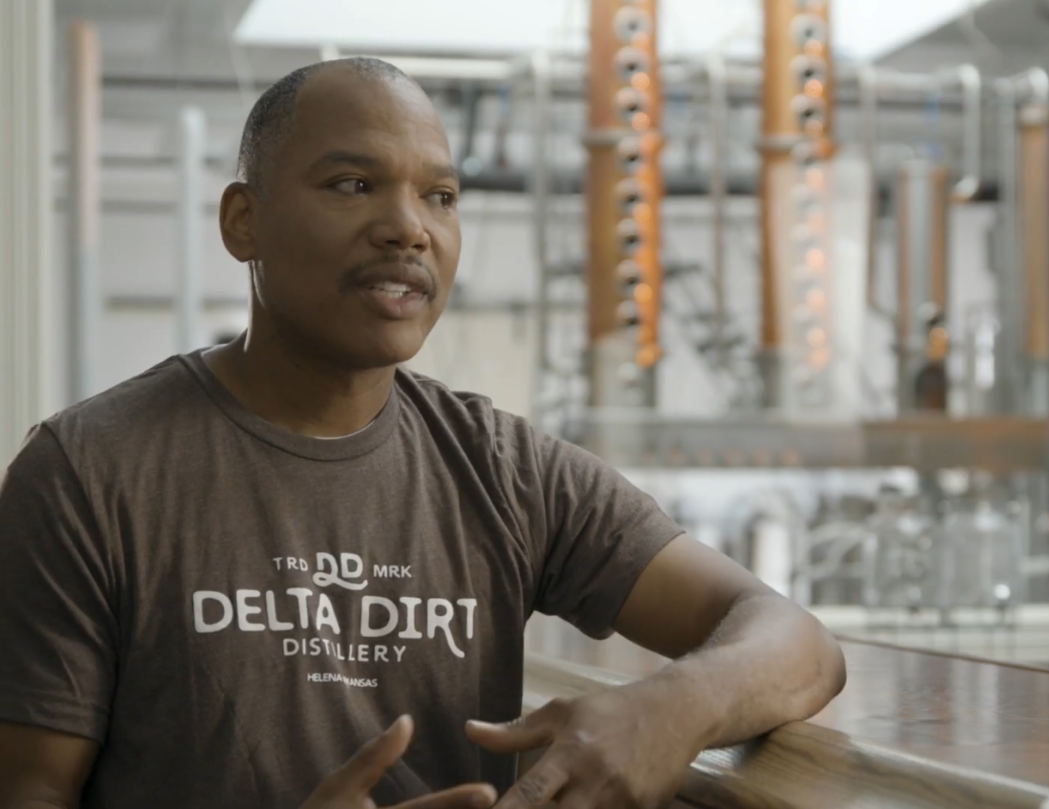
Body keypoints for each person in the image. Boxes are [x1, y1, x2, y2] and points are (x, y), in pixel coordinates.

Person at [0, 57, 846, 809]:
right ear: (242, 223)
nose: (410, 227)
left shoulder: (506, 471)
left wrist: (671, 708)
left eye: (439, 195)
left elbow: (794, 641)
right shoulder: (86, 472)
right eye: (352, 184)